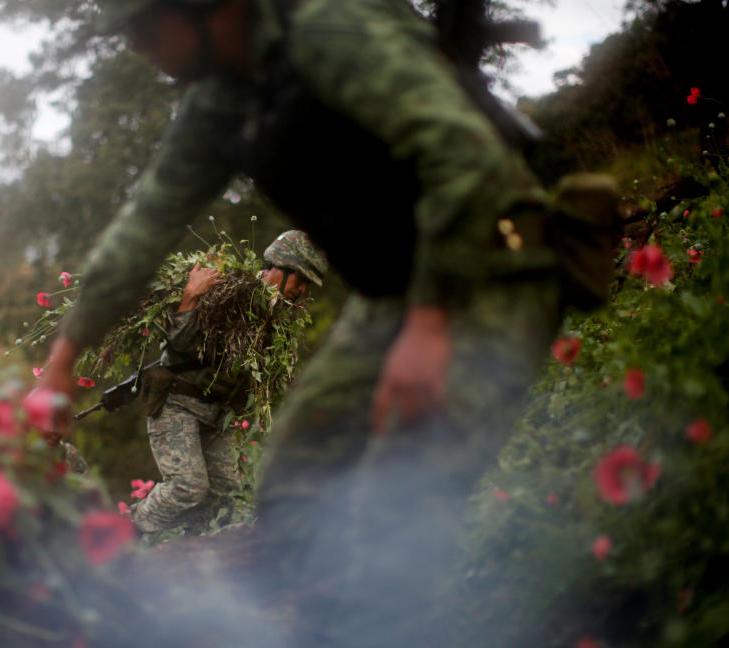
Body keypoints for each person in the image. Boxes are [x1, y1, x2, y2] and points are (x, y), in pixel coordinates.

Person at [37, 0, 617, 642]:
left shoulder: (327, 31)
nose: (138, 47)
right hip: (392, 293)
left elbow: (462, 154)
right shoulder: (221, 99)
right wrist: (63, 361)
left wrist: (428, 326)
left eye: (147, 28)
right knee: (296, 481)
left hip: (489, 266)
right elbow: (145, 226)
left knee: (410, 496)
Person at [130, 230, 327, 534]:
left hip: (217, 416)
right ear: (278, 267)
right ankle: (123, 537)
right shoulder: (229, 289)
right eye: (299, 279)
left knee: (225, 502)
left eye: (306, 285)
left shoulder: (278, 318)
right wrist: (191, 296)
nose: (301, 290)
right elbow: (178, 345)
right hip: (177, 404)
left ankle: (194, 560)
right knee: (188, 487)